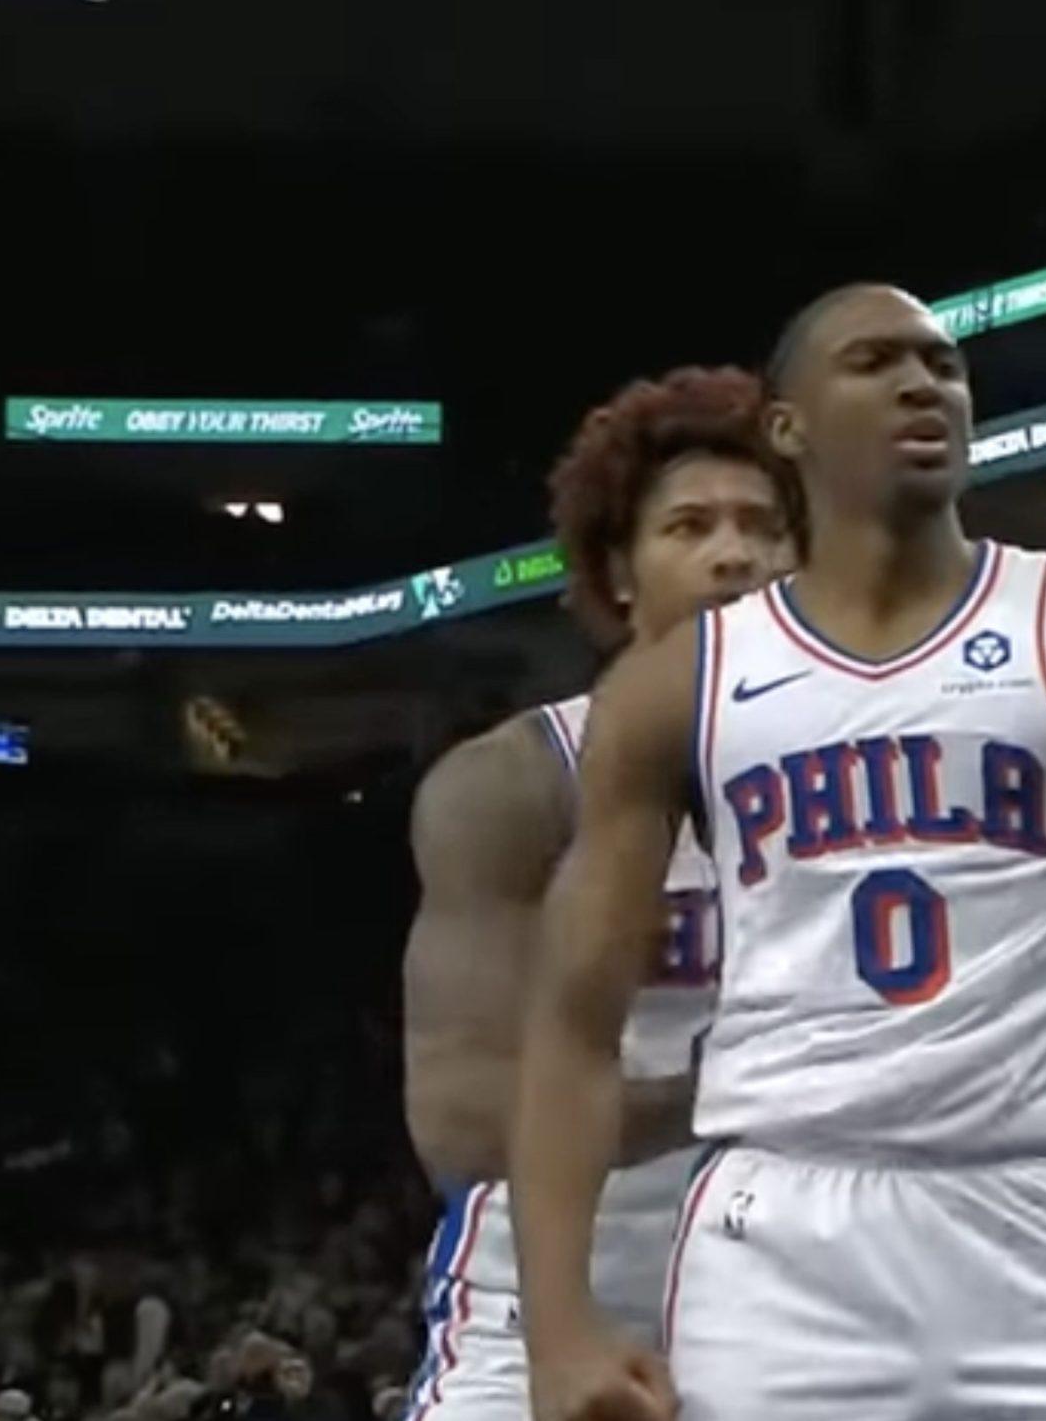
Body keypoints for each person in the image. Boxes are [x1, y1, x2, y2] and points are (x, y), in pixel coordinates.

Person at [511, 283, 1046, 1419]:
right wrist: (559, 1330)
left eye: (942, 364)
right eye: (875, 361)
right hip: (784, 1233)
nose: (920, 383)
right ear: (788, 428)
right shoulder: (675, 681)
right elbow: (573, 1021)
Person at [399, 366, 801, 1421]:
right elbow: (461, 1122)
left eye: (767, 526)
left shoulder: (885, 785)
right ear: (618, 571)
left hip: (803, 1294)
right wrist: (733, 1085)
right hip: (545, 1298)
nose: (735, 554)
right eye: (691, 526)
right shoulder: (516, 782)